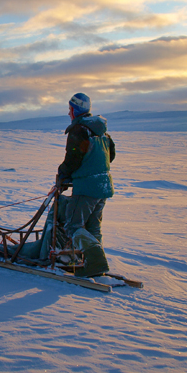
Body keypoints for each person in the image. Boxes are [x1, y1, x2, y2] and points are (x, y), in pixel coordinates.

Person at [56, 93, 115, 277]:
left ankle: (93, 262)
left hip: (87, 188)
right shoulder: (101, 130)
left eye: (70, 109)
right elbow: (110, 156)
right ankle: (93, 263)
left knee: (73, 225)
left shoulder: (79, 130)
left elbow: (73, 158)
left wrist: (62, 176)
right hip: (103, 186)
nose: (68, 113)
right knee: (92, 227)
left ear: (75, 110)